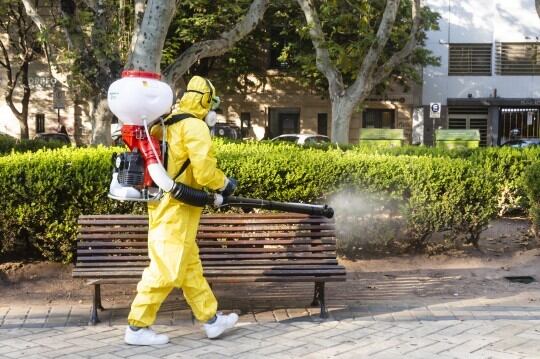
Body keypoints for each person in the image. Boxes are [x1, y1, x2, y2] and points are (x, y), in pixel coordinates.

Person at [124, 76, 238, 346]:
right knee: (165, 269)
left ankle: (210, 320)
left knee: (189, 266)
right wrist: (224, 184)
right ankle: (137, 327)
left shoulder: (165, 124)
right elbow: (204, 170)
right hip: (177, 209)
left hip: (165, 204)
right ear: (205, 100)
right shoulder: (194, 126)